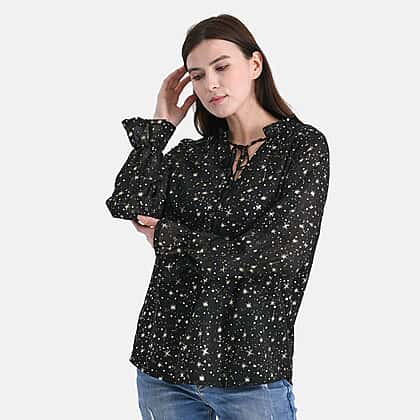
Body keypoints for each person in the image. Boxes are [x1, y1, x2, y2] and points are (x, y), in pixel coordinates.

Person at [105, 13, 330, 420]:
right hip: (163, 367)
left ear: (255, 64)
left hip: (251, 370)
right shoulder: (192, 156)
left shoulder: (302, 147)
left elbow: (279, 253)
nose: (210, 83)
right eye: (197, 75)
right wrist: (159, 129)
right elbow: (128, 204)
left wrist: (174, 239)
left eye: (222, 67)